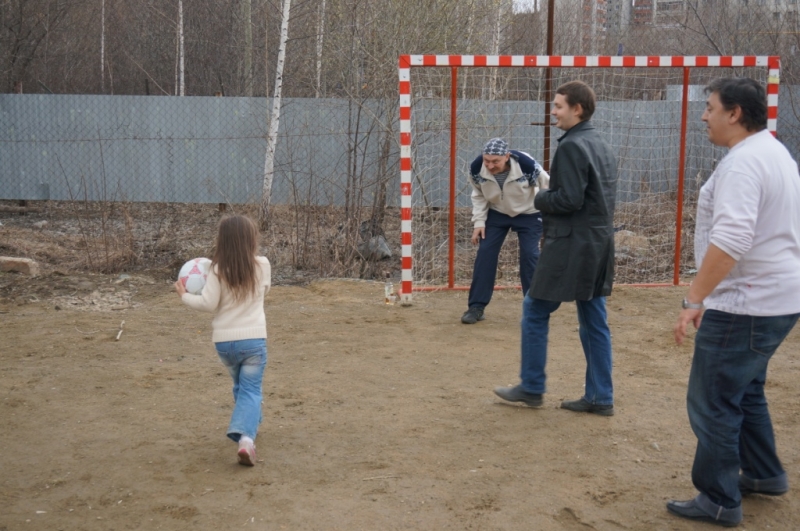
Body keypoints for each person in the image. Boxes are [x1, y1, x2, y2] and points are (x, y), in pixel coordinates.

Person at [667, 78, 800, 527]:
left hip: (747, 302)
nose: (703, 116)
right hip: (777, 297)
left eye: (709, 108)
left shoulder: (745, 163)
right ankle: (763, 474)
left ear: (735, 113)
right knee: (746, 390)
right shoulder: (774, 151)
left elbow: (731, 240)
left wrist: (694, 298)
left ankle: (719, 497)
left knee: (713, 400)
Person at [493, 80, 618, 415]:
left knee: (535, 309)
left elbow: (569, 199)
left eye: (559, 106)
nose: (553, 111)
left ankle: (532, 387)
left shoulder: (573, 147)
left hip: (571, 246)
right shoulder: (601, 144)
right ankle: (600, 396)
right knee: (594, 319)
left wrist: (540, 197)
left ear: (577, 109)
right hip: (598, 243)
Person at [175, 215, 272, 467]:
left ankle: (252, 425)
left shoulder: (216, 270)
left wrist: (184, 296)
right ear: (251, 240)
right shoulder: (262, 265)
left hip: (225, 344)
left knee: (241, 388)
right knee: (250, 389)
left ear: (223, 241)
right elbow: (265, 290)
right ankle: (246, 440)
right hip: (253, 341)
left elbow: (207, 304)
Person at [461, 138, 550, 324]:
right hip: (497, 212)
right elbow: (478, 194)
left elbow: (546, 186)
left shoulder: (526, 165)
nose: (490, 165)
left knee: (530, 255)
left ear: (507, 157)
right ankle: (476, 306)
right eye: (487, 160)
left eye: (495, 161)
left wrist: (548, 215)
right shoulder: (477, 168)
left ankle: (534, 308)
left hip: (529, 212)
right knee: (485, 253)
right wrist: (479, 223)